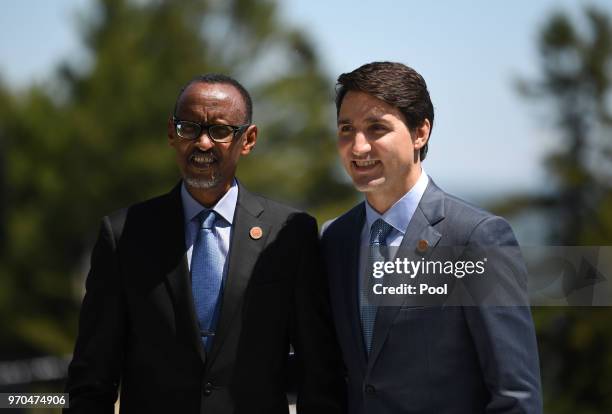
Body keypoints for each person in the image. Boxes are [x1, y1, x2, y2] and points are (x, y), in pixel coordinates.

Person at [64, 73, 346, 414]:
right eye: (189, 128)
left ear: (249, 139)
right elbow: (91, 377)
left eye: (220, 130)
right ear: (172, 133)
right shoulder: (124, 235)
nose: (203, 143)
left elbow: (318, 371)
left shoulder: (289, 234)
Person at [321, 62, 542, 413]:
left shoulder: (476, 237)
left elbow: (515, 394)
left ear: (420, 132)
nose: (358, 147)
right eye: (347, 129)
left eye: (377, 128)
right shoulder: (334, 238)